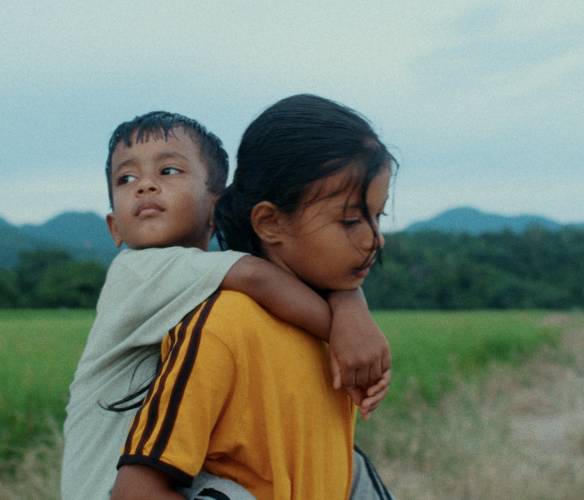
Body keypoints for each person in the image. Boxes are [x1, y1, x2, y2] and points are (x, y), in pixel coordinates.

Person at [61, 111, 392, 500]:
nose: (145, 186)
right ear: (115, 228)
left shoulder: (208, 281)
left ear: (215, 207)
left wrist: (349, 300)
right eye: (126, 178)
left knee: (350, 468)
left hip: (162, 469)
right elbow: (258, 275)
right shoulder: (135, 271)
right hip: (103, 486)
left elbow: (307, 270)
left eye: (168, 171)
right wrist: (346, 333)